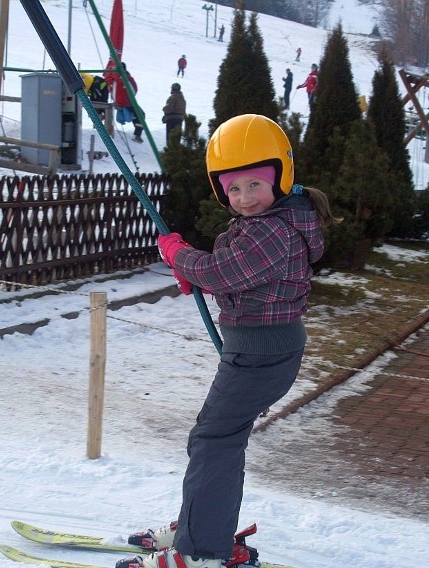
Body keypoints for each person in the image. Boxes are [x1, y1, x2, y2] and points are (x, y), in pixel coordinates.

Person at [121, 114, 340, 568]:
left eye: (254, 186)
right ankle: (206, 525)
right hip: (260, 350)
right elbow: (235, 277)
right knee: (217, 438)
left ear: (281, 177)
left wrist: (181, 257)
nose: (244, 199)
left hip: (261, 355)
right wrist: (206, 281)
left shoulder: (274, 230)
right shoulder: (274, 222)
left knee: (212, 441)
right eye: (233, 189)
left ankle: (202, 550)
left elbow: (224, 270)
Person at [111, 62, 143, 143]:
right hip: (128, 102)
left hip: (118, 102)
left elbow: (112, 90)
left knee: (135, 114)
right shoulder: (127, 78)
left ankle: (135, 128)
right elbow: (134, 89)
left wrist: (116, 101)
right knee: (141, 114)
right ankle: (137, 135)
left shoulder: (115, 78)